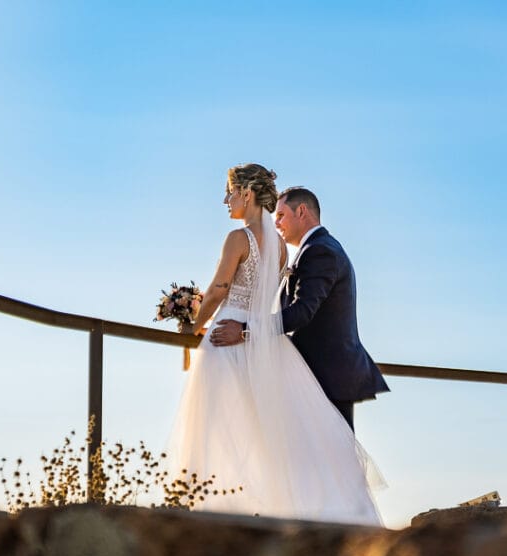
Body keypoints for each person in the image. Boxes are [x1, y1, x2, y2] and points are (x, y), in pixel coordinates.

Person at [164, 164, 385, 525]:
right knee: (272, 432)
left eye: (230, 193)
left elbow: (223, 289)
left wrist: (195, 324)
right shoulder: (284, 251)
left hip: (233, 336)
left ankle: (215, 514)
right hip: (269, 348)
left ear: (246, 194)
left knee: (220, 425)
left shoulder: (242, 239)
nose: (226, 200)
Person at [210, 186, 389, 431]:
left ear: (302, 211)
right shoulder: (316, 248)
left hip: (327, 376)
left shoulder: (320, 251)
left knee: (336, 460)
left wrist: (244, 330)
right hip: (318, 375)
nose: (277, 225)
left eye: (281, 216)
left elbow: (302, 312)